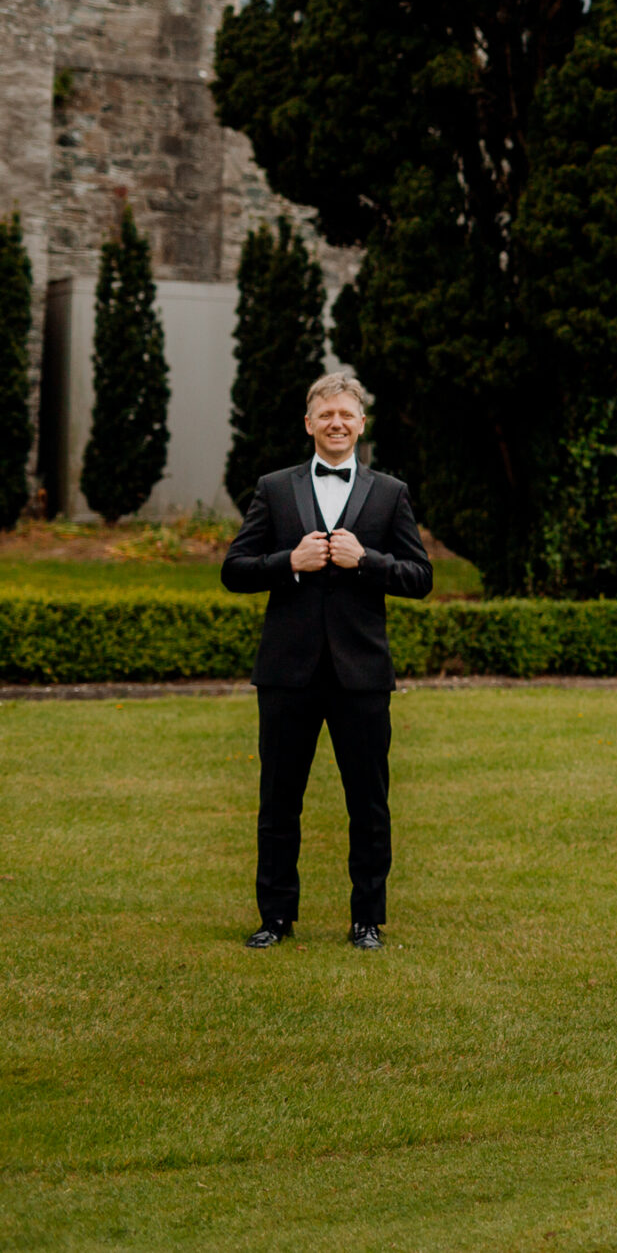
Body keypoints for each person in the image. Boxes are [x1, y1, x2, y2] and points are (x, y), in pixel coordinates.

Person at [220, 373, 434, 951]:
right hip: (286, 673)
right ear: (309, 423)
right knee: (278, 800)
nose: (336, 423)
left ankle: (367, 918)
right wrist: (289, 560)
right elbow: (234, 569)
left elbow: (420, 578)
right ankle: (276, 917)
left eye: (346, 414)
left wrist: (367, 562)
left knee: (368, 802)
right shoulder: (274, 487)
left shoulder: (390, 492)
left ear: (361, 424)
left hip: (361, 674)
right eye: (325, 414)